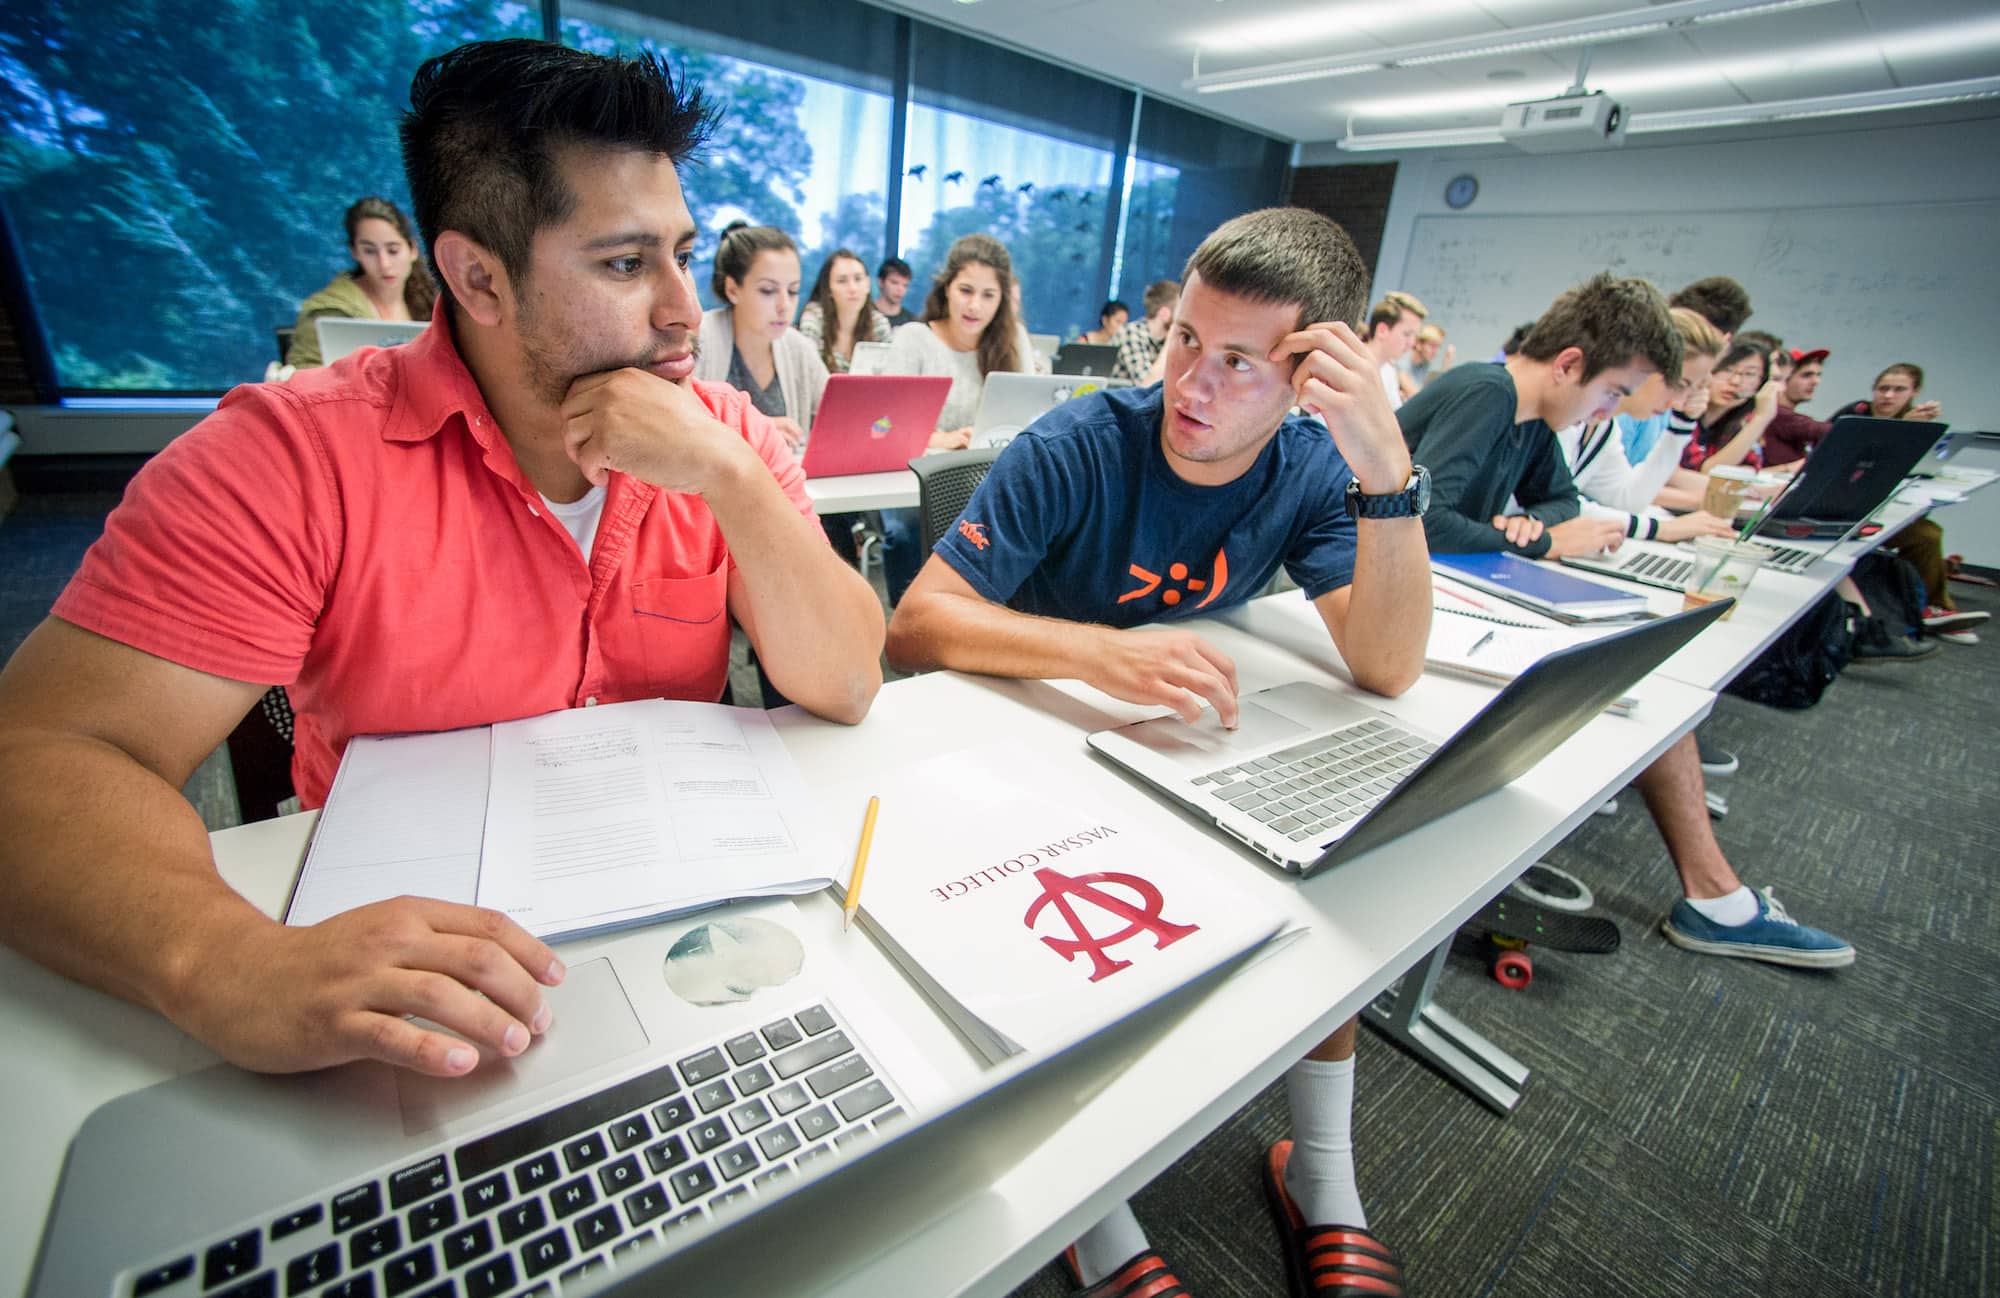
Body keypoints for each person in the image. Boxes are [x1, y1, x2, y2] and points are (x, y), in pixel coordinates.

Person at [0, 39, 886, 1080]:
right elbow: (40, 757)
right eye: (622, 262)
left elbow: (844, 680)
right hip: (419, 974)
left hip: (694, 947)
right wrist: (224, 958)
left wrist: (733, 478)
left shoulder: (718, 427)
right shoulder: (289, 457)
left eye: (682, 254)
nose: (682, 309)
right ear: (476, 276)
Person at [888, 206, 1425, 1298]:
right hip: (1016, 745)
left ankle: (1320, 1170)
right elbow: (913, 624)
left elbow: (1383, 662)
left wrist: (1384, 463)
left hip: (1154, 748)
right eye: (1185, 339)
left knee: (1328, 861)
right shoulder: (1078, 442)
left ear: (1310, 375)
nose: (1193, 383)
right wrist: (1099, 653)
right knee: (1069, 916)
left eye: (1237, 362)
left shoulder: (1317, 466)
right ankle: (1094, 1211)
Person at [1403, 272, 1856, 971]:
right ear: (1569, 365)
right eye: (1613, 391)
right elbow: (1424, 520)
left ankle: (1497, 860)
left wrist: (1524, 527)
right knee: (1599, 671)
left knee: (1616, 661)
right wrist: (1539, 540)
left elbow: (1561, 500)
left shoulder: (1533, 420)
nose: (1611, 408)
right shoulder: (1488, 394)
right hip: (1395, 586)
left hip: (1453, 583)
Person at [876, 233, 1034, 602]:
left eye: (988, 295)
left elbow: (1027, 421)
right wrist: (937, 439)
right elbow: (883, 426)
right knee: (906, 535)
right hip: (912, 481)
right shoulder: (914, 338)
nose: (974, 305)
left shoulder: (1013, 341)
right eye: (965, 290)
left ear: (1002, 301)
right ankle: (912, 628)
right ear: (946, 288)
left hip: (987, 480)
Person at [1830, 364, 1983, 641]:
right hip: (1847, 504)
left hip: (1883, 500)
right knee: (1926, 535)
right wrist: (1904, 429)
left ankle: (1930, 606)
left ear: (1915, 392)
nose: (1888, 396)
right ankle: (1933, 609)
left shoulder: (1916, 421)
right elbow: (1854, 460)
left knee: (1926, 532)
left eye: (1898, 390)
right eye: (1882, 389)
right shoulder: (1856, 415)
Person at [1557, 306, 1736, 543]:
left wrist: (1681, 425)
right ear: (1644, 365)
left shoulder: (1603, 427)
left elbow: (1628, 499)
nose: (1679, 401)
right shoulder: (1565, 417)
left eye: (1694, 388)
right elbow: (1553, 507)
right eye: (1680, 384)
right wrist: (1660, 529)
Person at [694, 222, 827, 456]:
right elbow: (672, 429)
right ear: (733, 289)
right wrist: (754, 431)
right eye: (768, 290)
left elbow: (840, 416)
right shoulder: (698, 339)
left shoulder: (799, 348)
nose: (784, 305)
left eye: (793, 291)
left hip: (786, 488)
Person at [283, 196, 438, 369]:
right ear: (355, 252)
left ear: (412, 250)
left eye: (393, 250)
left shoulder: (434, 301)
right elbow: (303, 372)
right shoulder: (330, 310)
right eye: (369, 251)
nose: (384, 264)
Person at [1678, 341, 1777, 474]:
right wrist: (1761, 419)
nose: (1735, 381)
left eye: (1749, 374)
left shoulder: (1738, 426)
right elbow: (1706, 471)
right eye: (1728, 369)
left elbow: (1751, 468)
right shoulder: (1681, 411)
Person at [797, 247, 890, 375]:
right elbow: (808, 373)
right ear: (828, 289)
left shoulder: (878, 323)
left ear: (868, 284)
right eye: (842, 281)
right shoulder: (814, 317)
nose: (852, 288)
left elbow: (890, 373)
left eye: (858, 279)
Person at [1760, 346, 1830, 469]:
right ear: (1784, 378)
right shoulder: (1776, 413)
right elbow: (1823, 430)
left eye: (1818, 375)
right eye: (1806, 375)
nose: (1816, 381)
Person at [1362, 290, 1426, 407]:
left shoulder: (1388, 372)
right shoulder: (1351, 363)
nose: (1412, 343)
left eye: (1414, 336)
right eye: (1407, 334)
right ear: (1382, 330)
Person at [1109, 278, 1179, 382]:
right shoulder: (1131, 333)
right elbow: (1146, 384)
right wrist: (1172, 338)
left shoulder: (1162, 341)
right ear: (1164, 313)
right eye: (1180, 310)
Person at [1399, 321, 1453, 391]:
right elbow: (1415, 397)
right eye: (1432, 346)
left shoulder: (1424, 363)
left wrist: (1446, 363)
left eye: (1438, 347)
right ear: (1418, 344)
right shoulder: (1402, 360)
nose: (1436, 352)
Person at [874, 256, 916, 327]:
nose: (900, 289)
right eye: (894, 282)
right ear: (881, 282)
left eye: (905, 285)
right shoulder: (864, 315)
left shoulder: (912, 323)